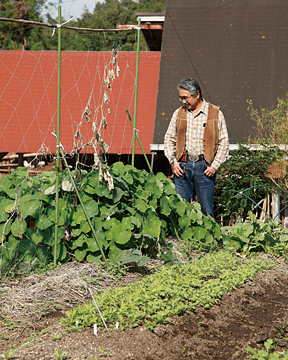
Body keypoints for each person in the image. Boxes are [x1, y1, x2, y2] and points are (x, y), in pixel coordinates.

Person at [164, 78, 229, 216]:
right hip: (182, 166)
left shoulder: (216, 113)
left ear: (197, 94)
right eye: (180, 98)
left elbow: (224, 143)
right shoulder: (178, 113)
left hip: (205, 167)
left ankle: (207, 237)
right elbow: (169, 139)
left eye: (185, 97)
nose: (183, 101)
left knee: (206, 210)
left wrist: (214, 166)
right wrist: (173, 161)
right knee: (180, 210)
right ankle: (183, 238)